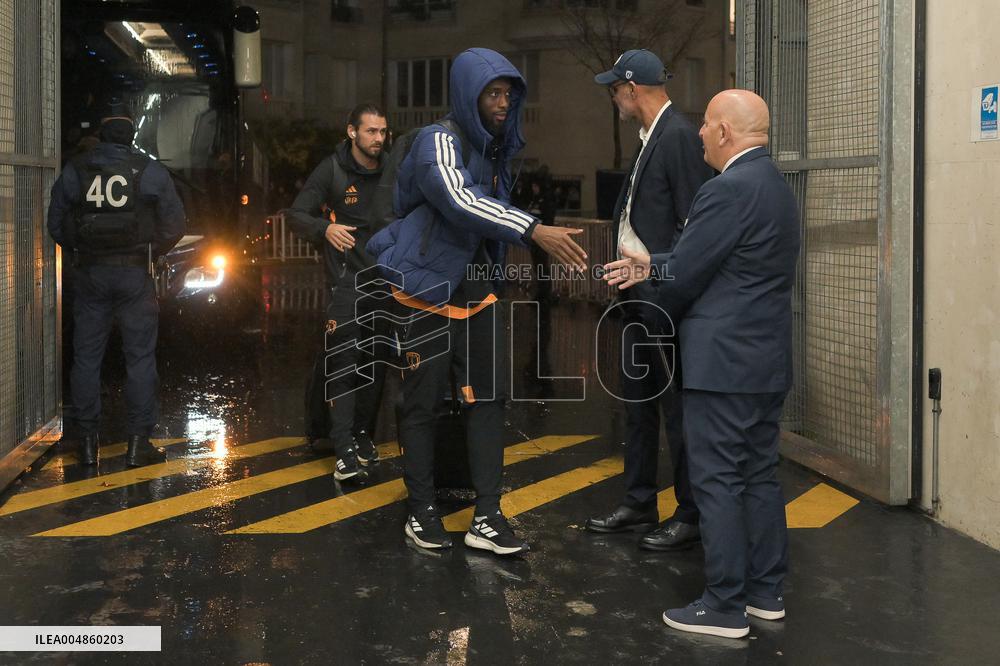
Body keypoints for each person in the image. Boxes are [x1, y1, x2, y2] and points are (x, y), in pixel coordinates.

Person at [367, 47, 587, 555]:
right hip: (423, 291)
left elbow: (491, 211)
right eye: (493, 92)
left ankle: (487, 515)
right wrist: (534, 230)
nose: (504, 102)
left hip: (479, 291)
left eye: (509, 93)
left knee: (487, 401)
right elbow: (458, 199)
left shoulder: (495, 150)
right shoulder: (435, 140)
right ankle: (422, 510)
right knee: (420, 403)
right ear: (469, 94)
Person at [603, 89, 800, 638]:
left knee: (715, 482)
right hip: (764, 365)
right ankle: (765, 594)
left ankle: (723, 605)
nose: (698, 134)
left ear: (725, 133)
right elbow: (723, 261)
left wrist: (650, 283)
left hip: (720, 369)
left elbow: (689, 272)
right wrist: (654, 263)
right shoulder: (778, 189)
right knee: (759, 477)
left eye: (707, 124)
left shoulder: (725, 191)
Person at [585, 49, 712, 552]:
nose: (613, 96)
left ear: (632, 89)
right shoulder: (652, 136)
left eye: (614, 88)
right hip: (636, 294)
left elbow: (693, 226)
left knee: (677, 410)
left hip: (661, 296)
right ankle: (639, 501)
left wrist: (658, 271)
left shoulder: (677, 135)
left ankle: (691, 513)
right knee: (636, 404)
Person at [47, 101, 186, 467]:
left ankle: (88, 444)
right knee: (139, 358)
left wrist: (81, 248)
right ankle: (138, 444)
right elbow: (175, 225)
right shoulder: (149, 171)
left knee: (86, 358)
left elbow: (56, 222)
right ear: (131, 133)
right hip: (134, 276)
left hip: (91, 275)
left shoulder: (78, 168)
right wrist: (150, 249)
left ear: (102, 132)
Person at [286, 103, 390, 482]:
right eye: (371, 131)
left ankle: (362, 435)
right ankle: (343, 448)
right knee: (344, 364)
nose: (378, 138)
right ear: (352, 132)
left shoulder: (392, 170)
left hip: (386, 281)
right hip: (345, 283)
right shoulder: (332, 169)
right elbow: (296, 215)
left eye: (382, 132)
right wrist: (325, 229)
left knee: (376, 364)